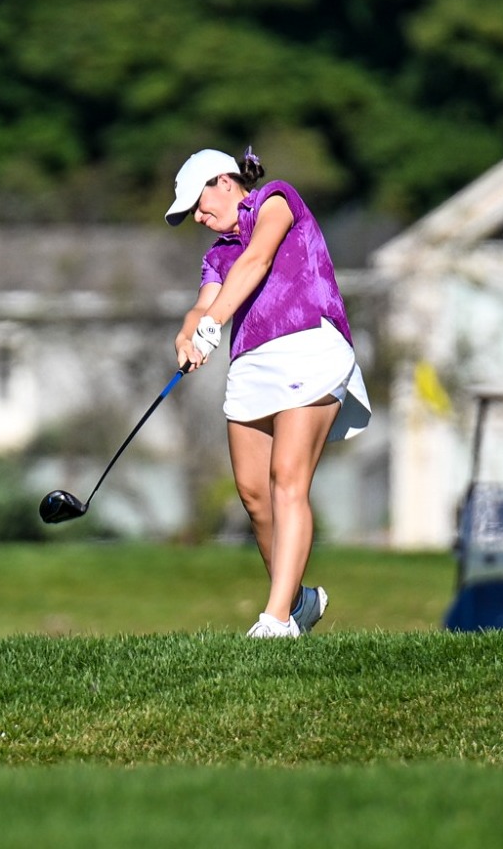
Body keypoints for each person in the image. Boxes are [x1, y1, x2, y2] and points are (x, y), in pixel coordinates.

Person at [165, 147, 372, 638]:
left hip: (309, 345)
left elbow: (257, 259)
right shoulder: (217, 254)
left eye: (198, 205)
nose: (199, 218)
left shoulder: (276, 199)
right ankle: (298, 601)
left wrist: (214, 323)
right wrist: (188, 335)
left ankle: (276, 620)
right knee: (256, 495)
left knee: (287, 480)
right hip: (252, 364)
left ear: (224, 181)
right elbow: (203, 306)